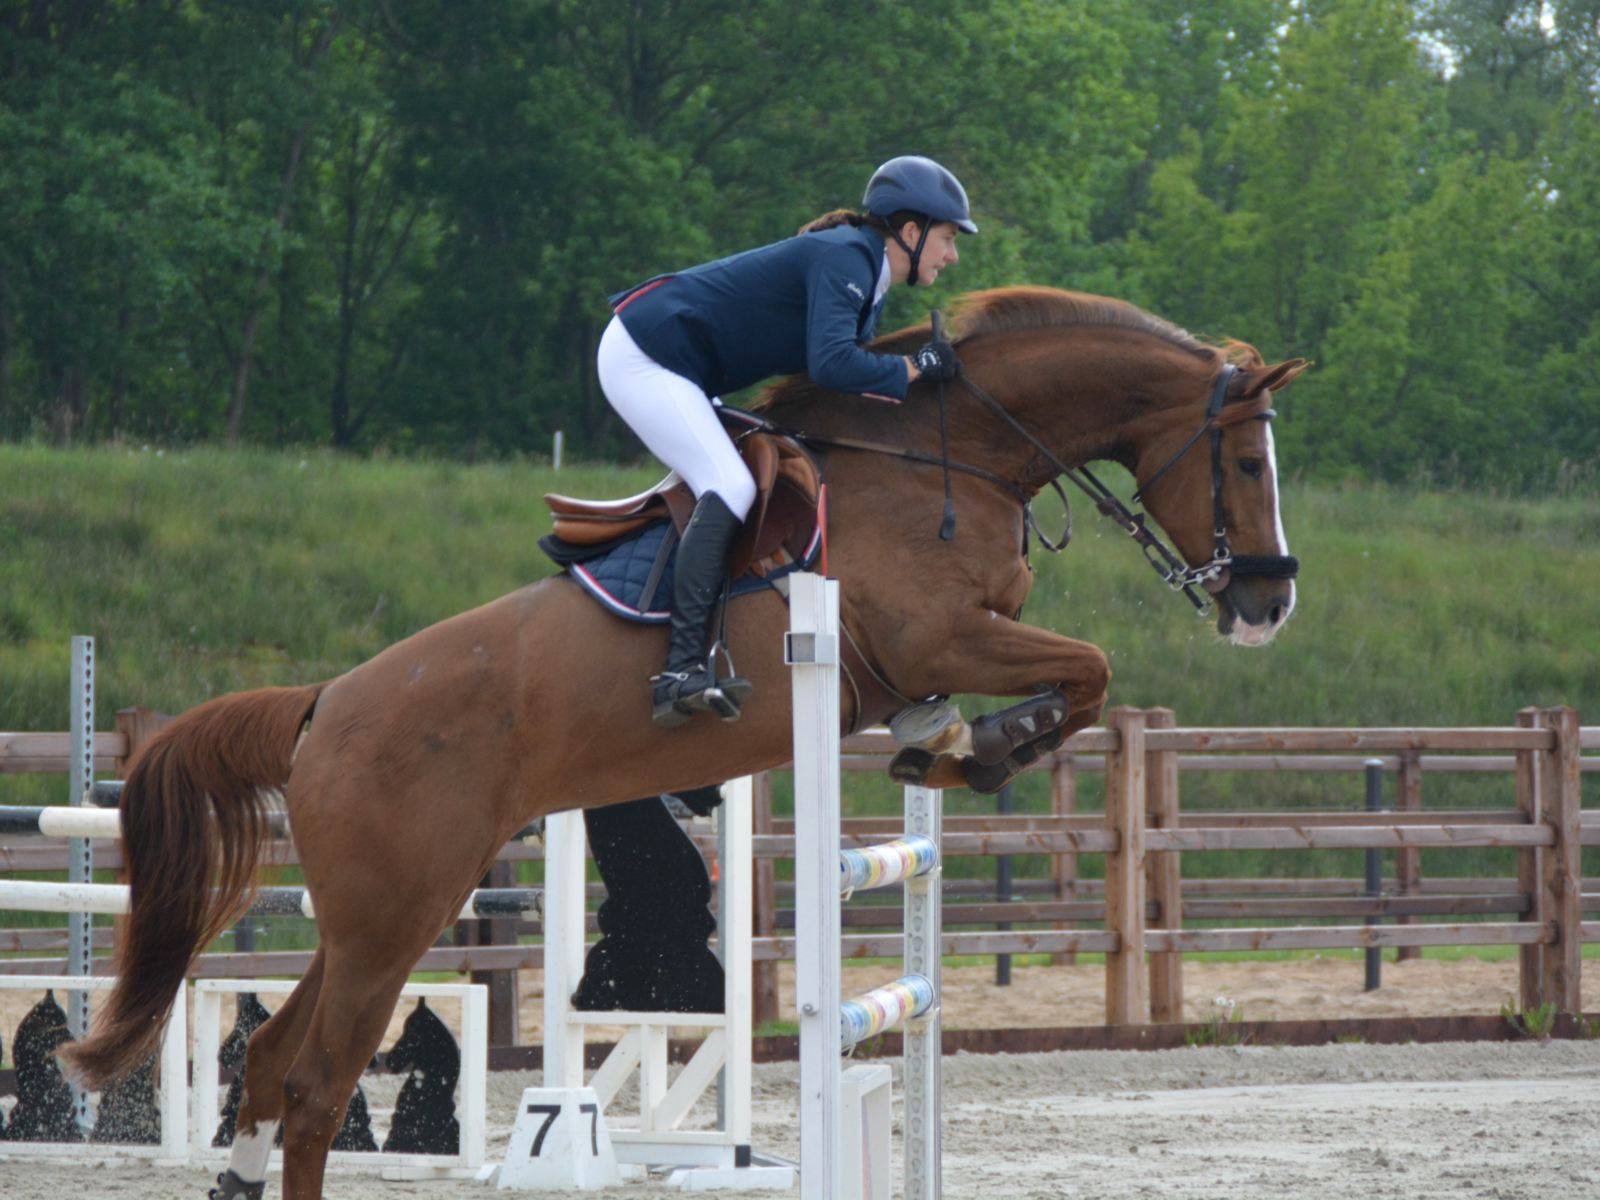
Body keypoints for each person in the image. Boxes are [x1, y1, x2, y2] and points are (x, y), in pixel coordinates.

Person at [601, 155, 977, 728]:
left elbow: (841, 376)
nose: (951, 255)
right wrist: (912, 370)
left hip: (679, 366)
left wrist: (917, 383)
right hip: (645, 354)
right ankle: (679, 670)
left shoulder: (865, 278)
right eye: (948, 238)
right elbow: (831, 364)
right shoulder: (848, 256)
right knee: (727, 483)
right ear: (910, 231)